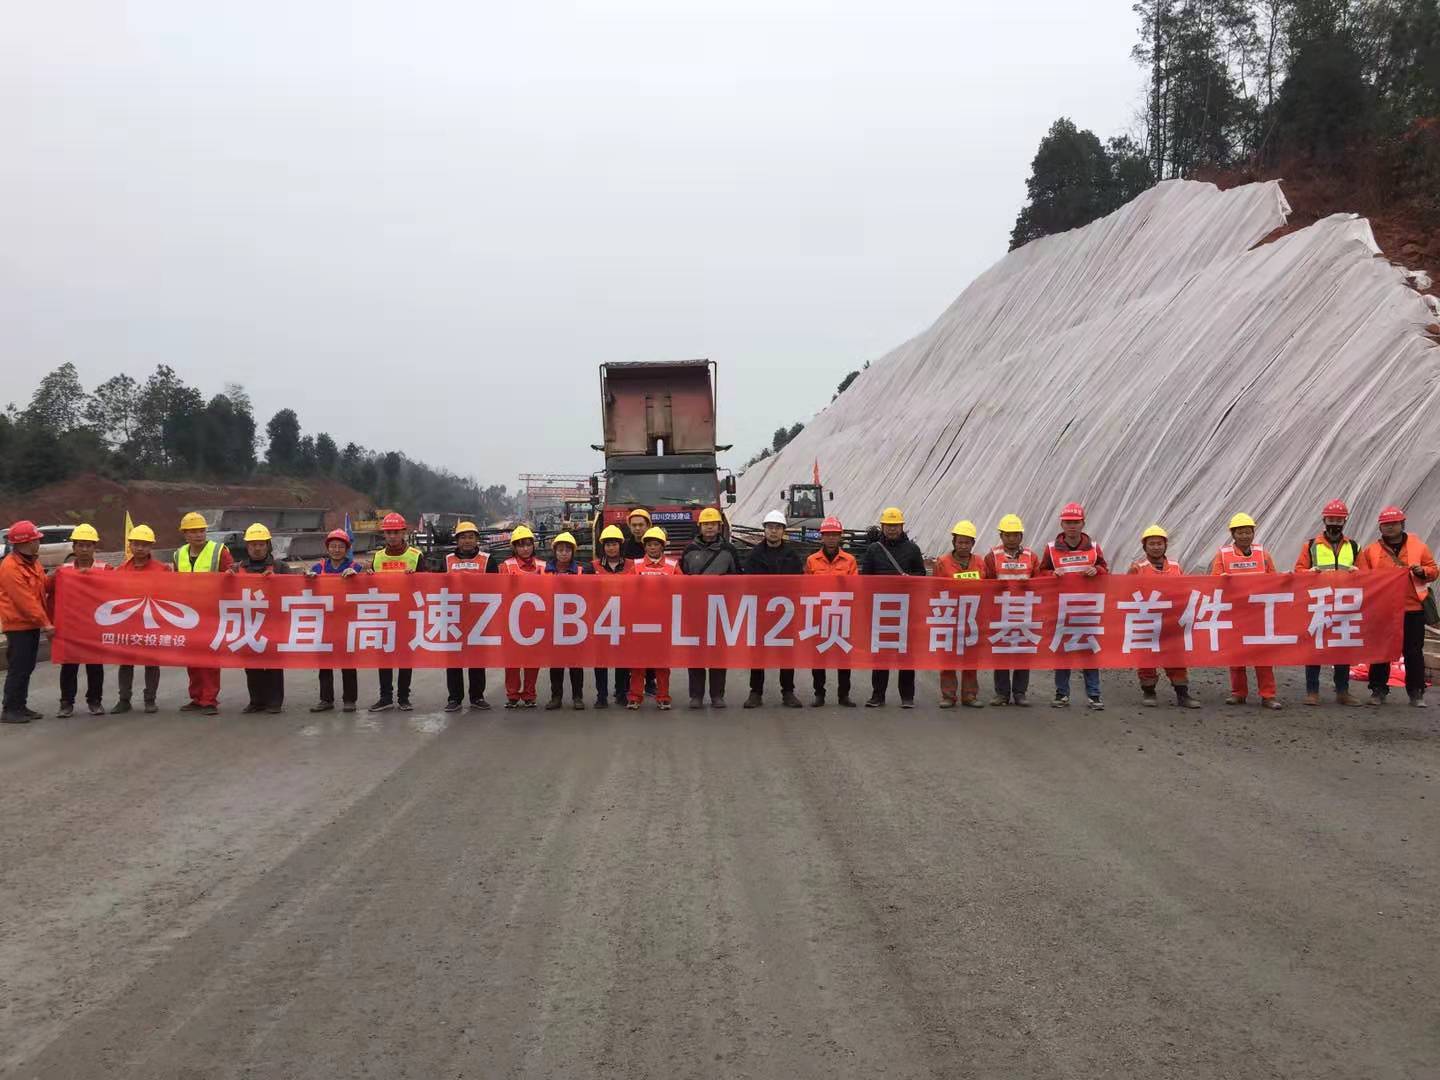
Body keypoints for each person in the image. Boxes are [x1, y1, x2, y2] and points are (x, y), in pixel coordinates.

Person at [1361, 506, 1437, 707]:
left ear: (1402, 524)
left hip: (1413, 608)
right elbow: (1363, 576)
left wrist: (1422, 571)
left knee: (1413, 651)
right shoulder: (1371, 550)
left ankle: (1416, 692)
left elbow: (1434, 570)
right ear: (1380, 527)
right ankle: (1378, 690)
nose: (1389, 527)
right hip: (1384, 609)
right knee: (1381, 650)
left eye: (1393, 524)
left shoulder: (1418, 546)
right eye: (1385, 524)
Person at [1036, 502, 1107, 710]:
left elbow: (1104, 568)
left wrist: (1098, 571)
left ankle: (1094, 695)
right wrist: (1051, 574)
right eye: (1068, 522)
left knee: (1089, 651)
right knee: (1062, 652)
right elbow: (1040, 573)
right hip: (1062, 609)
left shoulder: (1094, 548)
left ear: (1083, 523)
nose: (1072, 526)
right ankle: (1061, 694)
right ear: (1062, 524)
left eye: (1076, 522)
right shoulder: (1051, 549)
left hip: (1087, 609)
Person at [1211, 512, 1282, 709]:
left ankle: (1268, 695)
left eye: (1248, 532)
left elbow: (1273, 579)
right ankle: (1238, 693)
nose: (1244, 536)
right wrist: (1222, 578)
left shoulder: (1263, 554)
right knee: (1236, 656)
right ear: (1233, 534)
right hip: (1235, 613)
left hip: (1259, 613)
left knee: (1264, 656)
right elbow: (1213, 579)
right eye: (1240, 532)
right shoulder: (1223, 555)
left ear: (1253, 533)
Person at [1294, 499, 1362, 706]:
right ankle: (1312, 691)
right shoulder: (1311, 545)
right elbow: (1298, 571)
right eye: (1332, 519)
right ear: (1324, 520)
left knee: (1342, 647)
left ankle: (1343, 691)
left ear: (1344, 521)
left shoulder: (1354, 546)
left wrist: (1358, 573)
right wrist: (1309, 573)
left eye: (1339, 519)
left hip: (1344, 604)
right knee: (1315, 646)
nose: (1335, 523)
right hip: (1319, 602)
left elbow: (1366, 574)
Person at [1127, 526, 1200, 709]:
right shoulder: (1138, 568)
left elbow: (1185, 589)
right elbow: (1127, 592)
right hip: (1148, 620)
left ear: (1165, 545)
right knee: (1146, 658)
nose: (1156, 547)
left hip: (1171, 621)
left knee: (1176, 658)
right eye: (1151, 544)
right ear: (1145, 547)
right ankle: (1149, 692)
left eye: (1159, 543)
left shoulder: (1175, 567)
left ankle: (1182, 695)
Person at [859, 507, 925, 708]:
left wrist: (909, 578)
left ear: (902, 526)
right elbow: (865, 580)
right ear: (882, 526)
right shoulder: (874, 549)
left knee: (906, 655)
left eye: (895, 525)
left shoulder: (912, 549)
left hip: (906, 610)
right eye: (888, 525)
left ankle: (907, 697)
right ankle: (878, 695)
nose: (892, 529)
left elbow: (922, 575)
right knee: (881, 655)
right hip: (881, 610)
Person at [679, 507, 742, 707]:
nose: (709, 528)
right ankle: (696, 696)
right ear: (700, 526)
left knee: (718, 653)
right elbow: (681, 578)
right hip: (695, 609)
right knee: (695, 653)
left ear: (719, 526)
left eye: (713, 524)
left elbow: (738, 578)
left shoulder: (729, 550)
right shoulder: (690, 550)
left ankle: (717, 695)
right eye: (706, 524)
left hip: (720, 609)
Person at [744, 510, 805, 708]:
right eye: (770, 527)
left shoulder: (792, 556)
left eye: (777, 528)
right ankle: (756, 692)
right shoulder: (754, 555)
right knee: (758, 654)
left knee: (786, 653)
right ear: (764, 530)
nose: (773, 531)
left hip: (785, 613)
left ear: (783, 531)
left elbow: (799, 584)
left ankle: (788, 691)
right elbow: (749, 584)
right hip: (761, 612)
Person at [48, 523, 109, 717]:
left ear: (94, 548)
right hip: (70, 629)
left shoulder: (106, 570)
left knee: (95, 667)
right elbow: (46, 591)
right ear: (74, 548)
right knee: (69, 667)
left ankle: (95, 701)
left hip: (94, 629)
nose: (84, 549)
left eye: (88, 545)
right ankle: (66, 703)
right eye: (80, 545)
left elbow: (119, 591)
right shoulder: (62, 572)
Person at [174, 511, 231, 714]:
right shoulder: (178, 554)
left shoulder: (219, 551)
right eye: (193, 531)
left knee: (209, 659)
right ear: (185, 534)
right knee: (192, 658)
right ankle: (197, 697)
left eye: (201, 530)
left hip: (210, 613)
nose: (199, 535)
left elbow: (231, 578)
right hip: (187, 615)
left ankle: (209, 699)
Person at [1, 520, 55, 724]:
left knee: (26, 666)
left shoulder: (33, 562)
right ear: (25, 542)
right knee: (19, 667)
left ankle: (20, 706)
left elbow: (42, 588)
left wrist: (58, 578)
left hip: (30, 624)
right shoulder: (10, 568)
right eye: (36, 539)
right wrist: (46, 623)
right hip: (18, 626)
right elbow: (25, 601)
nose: (38, 543)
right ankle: (10, 709)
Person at [231, 524, 289, 713]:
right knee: (252, 664)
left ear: (267, 545)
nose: (257, 548)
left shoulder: (281, 567)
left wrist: (278, 581)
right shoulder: (236, 568)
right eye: (253, 544)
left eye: (261, 544)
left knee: (273, 664)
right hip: (248, 623)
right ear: (247, 547)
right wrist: (224, 579)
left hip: (273, 623)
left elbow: (294, 590)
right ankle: (256, 701)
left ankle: (274, 702)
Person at [367, 512, 421, 712]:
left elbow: (427, 586)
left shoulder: (416, 556)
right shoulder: (378, 557)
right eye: (388, 532)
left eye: (395, 532)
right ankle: (386, 697)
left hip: (407, 615)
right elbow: (370, 587)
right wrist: (369, 576)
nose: (391, 536)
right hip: (384, 615)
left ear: (403, 532)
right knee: (384, 658)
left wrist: (416, 578)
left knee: (405, 658)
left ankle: (404, 697)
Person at [111, 524, 167, 714]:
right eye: (136, 544)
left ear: (151, 546)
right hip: (128, 624)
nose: (140, 548)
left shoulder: (163, 571)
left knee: (152, 662)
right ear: (130, 545)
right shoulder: (121, 571)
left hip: (152, 623)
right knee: (125, 662)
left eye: (145, 544)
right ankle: (124, 699)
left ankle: (150, 699)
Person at [983, 514, 1038, 707]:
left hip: (1024, 611)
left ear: (1021, 536)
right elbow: (986, 582)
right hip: (1001, 611)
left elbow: (1041, 582)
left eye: (1015, 535)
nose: (1011, 539)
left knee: (1023, 652)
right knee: (1001, 652)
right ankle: (1002, 693)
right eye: (1008, 535)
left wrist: (1030, 585)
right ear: (1001, 535)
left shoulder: (1031, 556)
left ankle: (1020, 693)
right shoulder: (992, 556)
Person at [933, 520, 988, 708]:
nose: (963, 546)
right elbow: (935, 589)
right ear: (954, 542)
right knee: (948, 657)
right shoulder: (943, 562)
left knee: (971, 658)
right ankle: (948, 695)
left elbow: (989, 588)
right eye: (960, 542)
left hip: (973, 617)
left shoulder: (980, 562)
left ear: (972, 543)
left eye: (967, 542)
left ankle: (970, 695)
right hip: (950, 615)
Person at [805, 516, 859, 707]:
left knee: (844, 657)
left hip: (841, 615)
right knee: (818, 657)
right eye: (827, 535)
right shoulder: (812, 561)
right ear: (821, 537)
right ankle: (819, 693)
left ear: (840, 537)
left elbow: (855, 587)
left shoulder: (849, 560)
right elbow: (805, 587)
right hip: (819, 614)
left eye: (834, 535)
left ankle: (843, 695)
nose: (830, 539)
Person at [306, 529, 361, 712]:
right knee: (325, 663)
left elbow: (369, 585)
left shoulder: (355, 567)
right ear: (327, 548)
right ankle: (326, 699)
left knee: (348, 663)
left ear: (347, 548)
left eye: (340, 546)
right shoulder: (318, 568)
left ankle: (350, 699)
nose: (336, 549)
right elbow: (305, 586)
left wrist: (357, 577)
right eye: (333, 546)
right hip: (325, 622)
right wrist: (308, 579)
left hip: (347, 622)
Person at [496, 524, 546, 708]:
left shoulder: (543, 566)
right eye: (520, 545)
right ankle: (512, 695)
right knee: (512, 661)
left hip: (536, 622)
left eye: (528, 544)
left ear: (533, 545)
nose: (525, 548)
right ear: (514, 548)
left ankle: (530, 694)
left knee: (532, 661)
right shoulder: (505, 567)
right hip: (512, 622)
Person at [442, 521, 491, 712]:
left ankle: (477, 696)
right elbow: (433, 586)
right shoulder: (446, 560)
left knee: (477, 660)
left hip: (479, 618)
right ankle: (454, 698)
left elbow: (498, 588)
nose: (467, 540)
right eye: (463, 537)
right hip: (453, 617)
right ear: (457, 540)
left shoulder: (488, 560)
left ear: (477, 539)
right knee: (454, 661)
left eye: (471, 536)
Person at [630, 526, 679, 710]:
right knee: (637, 662)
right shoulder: (635, 566)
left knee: (662, 663)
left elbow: (684, 588)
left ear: (662, 546)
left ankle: (663, 696)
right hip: (639, 622)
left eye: (656, 544)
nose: (652, 548)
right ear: (645, 546)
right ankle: (635, 697)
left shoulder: (673, 566)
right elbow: (624, 590)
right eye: (649, 544)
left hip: (664, 622)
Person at [591, 524, 634, 708]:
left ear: (620, 545)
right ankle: (601, 695)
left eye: (614, 544)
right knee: (600, 659)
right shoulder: (592, 567)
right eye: (607, 544)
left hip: (624, 618)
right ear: (603, 547)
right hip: (600, 620)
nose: (611, 547)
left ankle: (622, 693)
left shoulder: (632, 565)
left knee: (622, 658)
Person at [545, 531, 589, 710]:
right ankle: (556, 697)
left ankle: (577, 697)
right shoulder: (545, 571)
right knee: (556, 664)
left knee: (576, 664)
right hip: (553, 623)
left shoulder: (582, 570)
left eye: (567, 550)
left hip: (575, 624)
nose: (563, 553)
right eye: (560, 550)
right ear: (555, 551)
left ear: (573, 552)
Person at [620, 507, 658, 695]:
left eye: (640, 525)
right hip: (631, 602)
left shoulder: (654, 545)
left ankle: (650, 681)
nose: (637, 528)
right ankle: (631, 682)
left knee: (651, 645)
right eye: (633, 525)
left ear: (648, 525)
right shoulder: (625, 547)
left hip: (652, 604)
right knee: (631, 645)